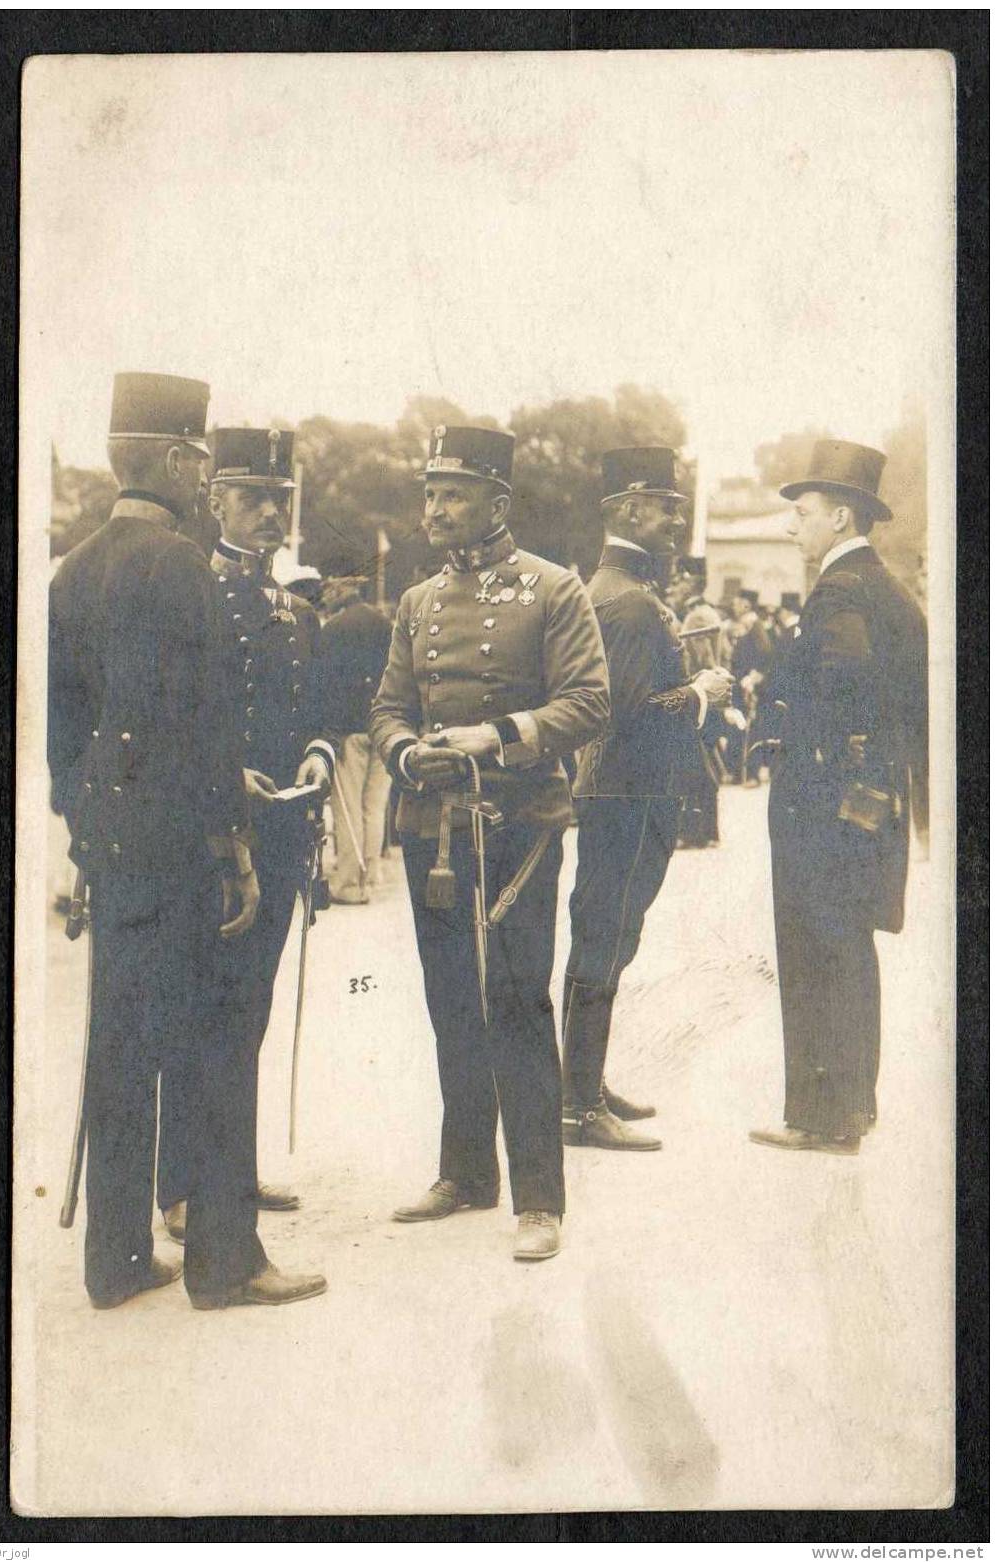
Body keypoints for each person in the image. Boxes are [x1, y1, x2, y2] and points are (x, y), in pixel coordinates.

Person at [48, 373, 325, 1310]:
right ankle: (224, 1262)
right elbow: (207, 732)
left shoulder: (73, 570)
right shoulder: (183, 570)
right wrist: (237, 848)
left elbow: (60, 738)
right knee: (212, 1050)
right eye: (201, 459)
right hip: (184, 853)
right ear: (174, 460)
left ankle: (118, 1261)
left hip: (112, 849)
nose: (203, 473)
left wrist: (86, 844)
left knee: (122, 1049)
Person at [370, 424, 609, 1261]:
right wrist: (406, 751)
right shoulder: (417, 602)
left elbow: (587, 704)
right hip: (433, 830)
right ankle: (467, 1172)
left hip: (517, 829)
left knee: (515, 1001)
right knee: (451, 1004)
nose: (434, 508)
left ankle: (539, 1200)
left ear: (497, 504)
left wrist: (496, 734)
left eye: (454, 494)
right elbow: (388, 707)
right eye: (429, 492)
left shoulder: (553, 590)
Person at [156, 427, 336, 1241]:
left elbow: (318, 711)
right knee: (205, 1013)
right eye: (253, 498)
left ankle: (233, 1173)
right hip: (215, 836)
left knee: (249, 1011)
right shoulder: (197, 595)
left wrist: (320, 750)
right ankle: (185, 1187)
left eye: (279, 500)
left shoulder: (298, 612)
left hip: (284, 829)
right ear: (215, 500)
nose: (269, 513)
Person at [750, 439, 929, 1156]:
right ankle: (852, 1105)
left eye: (802, 513)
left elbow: (843, 675)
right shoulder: (883, 586)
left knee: (816, 949)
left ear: (841, 517)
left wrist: (797, 737)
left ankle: (824, 1118)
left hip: (823, 803)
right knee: (848, 948)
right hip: (863, 798)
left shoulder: (841, 589)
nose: (791, 527)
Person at [561, 450, 734, 1150]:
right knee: (606, 938)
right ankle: (576, 1106)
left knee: (605, 936)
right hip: (630, 791)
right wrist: (700, 693)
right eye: (667, 506)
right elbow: (629, 711)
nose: (677, 518)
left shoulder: (616, 587)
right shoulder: (628, 601)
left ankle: (584, 1085)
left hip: (620, 790)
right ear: (630, 510)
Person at [317, 576, 393, 904]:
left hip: (348, 729)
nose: (326, 595)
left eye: (329, 588)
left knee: (347, 808)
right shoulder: (384, 624)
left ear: (341, 586)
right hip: (383, 726)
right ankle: (370, 876)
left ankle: (349, 883)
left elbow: (325, 684)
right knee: (373, 809)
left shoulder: (333, 629)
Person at [667, 556, 723, 847]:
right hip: (709, 695)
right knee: (705, 762)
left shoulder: (696, 617)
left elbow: (704, 659)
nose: (674, 588)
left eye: (679, 581)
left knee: (696, 765)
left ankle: (696, 831)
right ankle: (708, 831)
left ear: (691, 582)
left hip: (701, 693)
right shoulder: (707, 612)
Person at [726, 588, 774, 784]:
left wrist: (752, 678)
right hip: (739, 683)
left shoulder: (755, 626)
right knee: (739, 727)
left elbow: (765, 655)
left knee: (751, 729)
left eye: (737, 603)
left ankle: (751, 773)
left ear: (746, 604)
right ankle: (738, 772)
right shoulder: (745, 625)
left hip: (749, 686)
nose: (734, 607)